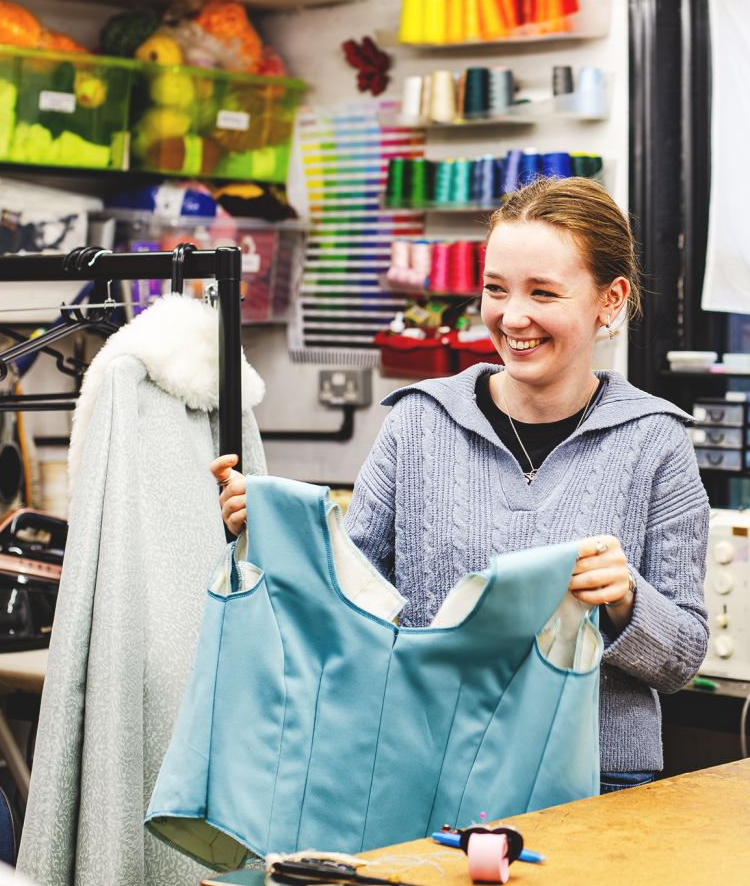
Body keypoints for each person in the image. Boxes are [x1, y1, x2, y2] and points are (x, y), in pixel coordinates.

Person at [213, 176, 709, 792]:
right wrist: (276, 535)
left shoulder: (654, 441)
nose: (513, 316)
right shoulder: (420, 422)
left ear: (610, 301)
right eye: (495, 289)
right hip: (426, 771)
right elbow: (348, 599)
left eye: (544, 292)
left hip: (596, 781)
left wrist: (627, 600)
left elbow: (683, 656)